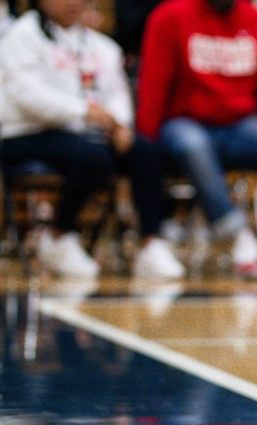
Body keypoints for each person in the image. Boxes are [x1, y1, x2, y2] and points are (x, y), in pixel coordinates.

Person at [0, 0, 186, 280]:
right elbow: (27, 96)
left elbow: (116, 92)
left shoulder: (102, 46)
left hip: (87, 135)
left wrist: (120, 124)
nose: (73, 2)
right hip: (26, 133)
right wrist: (86, 112)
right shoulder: (20, 37)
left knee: (144, 150)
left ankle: (150, 242)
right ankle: (59, 234)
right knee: (92, 156)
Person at [137, 0, 257, 278]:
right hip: (185, 120)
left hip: (240, 123)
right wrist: (145, 140)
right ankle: (238, 236)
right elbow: (154, 79)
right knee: (194, 145)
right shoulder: (170, 15)